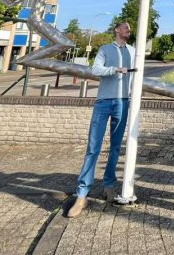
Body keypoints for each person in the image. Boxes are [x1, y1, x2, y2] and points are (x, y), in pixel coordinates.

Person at [67, 21, 134, 218]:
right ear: (116, 30)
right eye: (125, 27)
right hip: (104, 102)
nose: (128, 30)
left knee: (114, 148)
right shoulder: (105, 50)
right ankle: (82, 194)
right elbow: (95, 70)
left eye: (129, 28)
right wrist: (114, 69)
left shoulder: (133, 51)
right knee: (93, 147)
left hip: (123, 102)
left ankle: (109, 187)